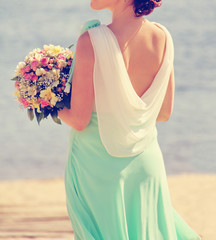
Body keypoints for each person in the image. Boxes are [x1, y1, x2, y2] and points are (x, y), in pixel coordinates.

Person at [58, 0, 202, 239]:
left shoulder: (90, 41)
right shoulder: (163, 37)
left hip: (98, 166)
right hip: (146, 162)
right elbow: (164, 113)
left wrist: (44, 102)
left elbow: (79, 120)